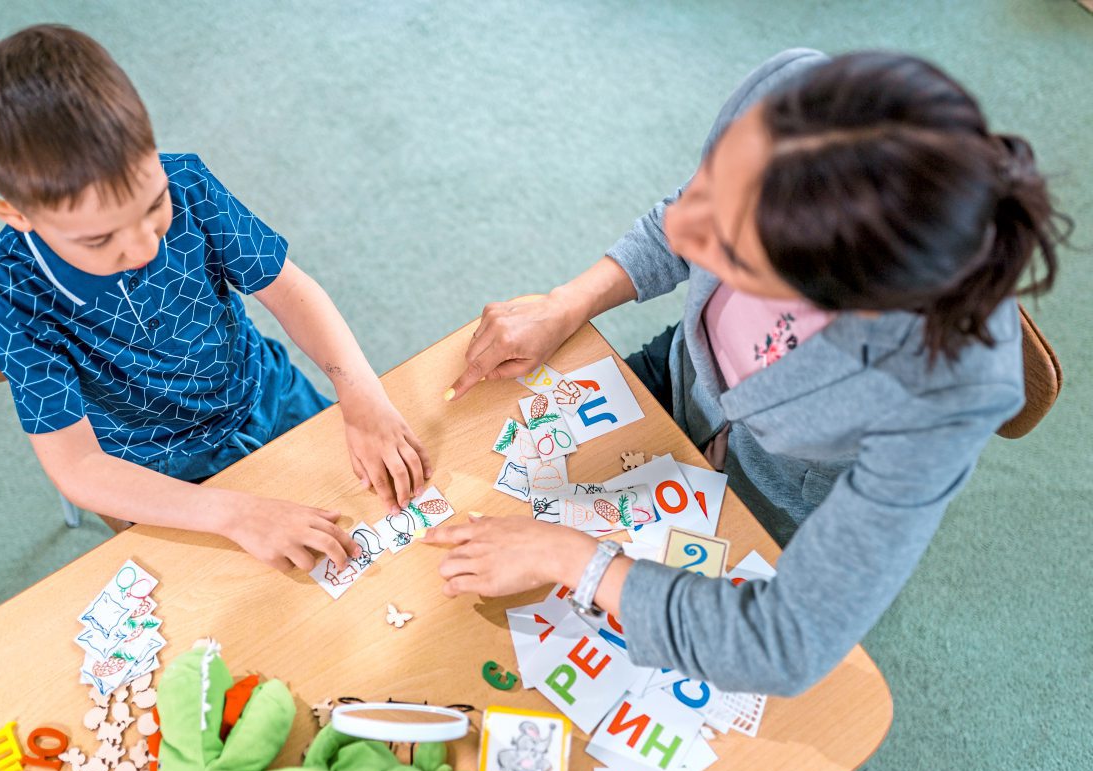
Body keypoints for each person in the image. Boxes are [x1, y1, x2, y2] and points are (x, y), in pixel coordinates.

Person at [427, 49, 1066, 695]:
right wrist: (571, 300)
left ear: (838, 298)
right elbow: (680, 218)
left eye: (730, 253)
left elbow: (788, 643)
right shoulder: (791, 91)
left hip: (776, 497)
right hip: (675, 376)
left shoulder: (944, 391)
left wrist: (564, 556)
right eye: (712, 191)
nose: (686, 229)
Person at [0, 25, 431, 573]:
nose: (142, 247)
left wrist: (363, 394)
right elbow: (79, 466)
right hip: (162, 477)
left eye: (152, 206)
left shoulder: (187, 183)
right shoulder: (11, 293)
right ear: (15, 214)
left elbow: (291, 289)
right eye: (99, 238)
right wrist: (232, 513)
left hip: (265, 394)